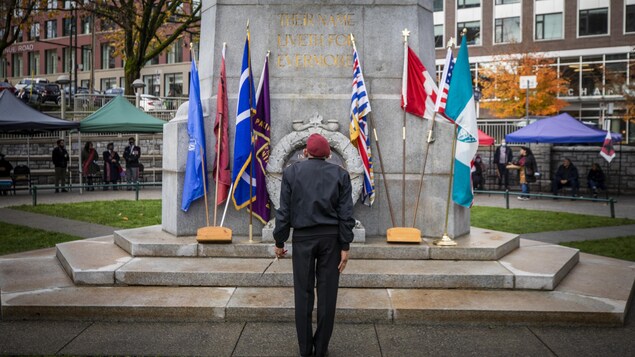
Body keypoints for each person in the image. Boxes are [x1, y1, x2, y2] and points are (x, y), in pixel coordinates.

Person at [273, 133, 355, 357]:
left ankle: (305, 350)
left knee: (303, 295)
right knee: (328, 296)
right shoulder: (341, 174)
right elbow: (346, 214)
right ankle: (321, 350)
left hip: (302, 240)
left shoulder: (291, 173)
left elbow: (284, 212)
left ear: (306, 153)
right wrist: (345, 245)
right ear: (329, 154)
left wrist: (279, 241)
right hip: (331, 240)